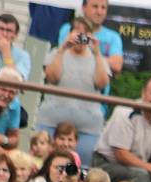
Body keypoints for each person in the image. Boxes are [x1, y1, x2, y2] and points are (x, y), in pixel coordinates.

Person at [36, 16, 108, 167]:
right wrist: (63, 49)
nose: (81, 37)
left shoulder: (99, 58)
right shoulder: (57, 52)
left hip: (88, 126)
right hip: (51, 120)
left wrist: (97, 53)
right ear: (70, 33)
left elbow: (101, 83)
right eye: (77, 32)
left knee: (81, 167)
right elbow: (52, 78)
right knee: (42, 161)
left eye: (85, 33)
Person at [58, 0, 123, 79]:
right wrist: (99, 59)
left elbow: (116, 65)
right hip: (66, 84)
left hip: (97, 88)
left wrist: (90, 55)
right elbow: (63, 56)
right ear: (83, 8)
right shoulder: (68, 29)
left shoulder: (113, 37)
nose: (99, 12)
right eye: (95, 6)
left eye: (103, 8)